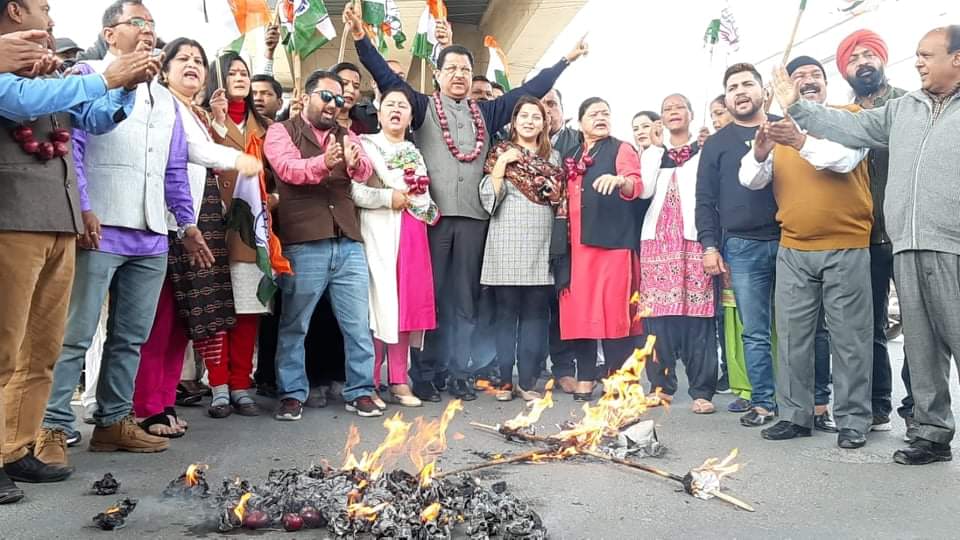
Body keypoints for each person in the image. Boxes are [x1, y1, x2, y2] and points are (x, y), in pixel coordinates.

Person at [345, 4, 588, 402]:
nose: (458, 75)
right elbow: (385, 75)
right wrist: (360, 38)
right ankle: (427, 373)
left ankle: (460, 373)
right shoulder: (421, 108)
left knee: (466, 301)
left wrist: (565, 60)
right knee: (431, 298)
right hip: (434, 220)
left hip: (475, 220)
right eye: (451, 69)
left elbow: (530, 91)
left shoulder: (487, 112)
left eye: (463, 69)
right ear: (438, 75)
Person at [35, 0, 216, 465]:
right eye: (137, 22)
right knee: (75, 334)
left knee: (130, 336)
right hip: (102, 224)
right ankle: (51, 428)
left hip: (153, 231)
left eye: (153, 24)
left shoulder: (164, 96)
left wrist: (187, 223)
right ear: (110, 34)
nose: (149, 30)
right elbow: (71, 145)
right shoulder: (88, 76)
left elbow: (174, 167)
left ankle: (114, 421)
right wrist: (85, 207)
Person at [0, 2, 159, 503]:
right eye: (44, 7)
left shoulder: (47, 66)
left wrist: (126, 84)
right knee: (4, 348)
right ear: (15, 9)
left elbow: (95, 118)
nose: (50, 17)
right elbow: (20, 103)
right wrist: (106, 75)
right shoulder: (7, 71)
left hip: (58, 220)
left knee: (41, 348)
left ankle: (16, 446)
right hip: (12, 218)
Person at [781, 25, 960, 465]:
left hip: (953, 244)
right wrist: (797, 107)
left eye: (926, 54)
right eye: (916, 54)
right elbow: (850, 125)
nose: (917, 62)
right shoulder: (904, 109)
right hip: (907, 244)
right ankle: (932, 434)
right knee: (921, 349)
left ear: (956, 59)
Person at [741, 55, 873, 449]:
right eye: (799, 77)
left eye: (816, 75)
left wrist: (798, 140)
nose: (808, 81)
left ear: (826, 83)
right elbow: (750, 178)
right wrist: (762, 150)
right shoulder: (778, 129)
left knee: (849, 338)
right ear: (786, 88)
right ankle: (795, 415)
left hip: (846, 245)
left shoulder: (849, 116)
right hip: (794, 247)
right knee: (793, 337)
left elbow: (843, 159)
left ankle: (853, 421)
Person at [132, 39, 261, 432]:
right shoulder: (160, 103)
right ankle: (145, 407)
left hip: (202, 224)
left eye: (199, 61)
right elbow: (194, 151)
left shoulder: (197, 111)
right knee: (161, 319)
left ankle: (164, 400)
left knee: (183, 324)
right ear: (165, 68)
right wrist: (235, 158)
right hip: (171, 225)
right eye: (183, 59)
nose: (192, 65)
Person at [264, 69, 381, 420]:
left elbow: (365, 172)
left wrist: (357, 163)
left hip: (347, 242)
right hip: (304, 242)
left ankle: (360, 390)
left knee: (358, 324)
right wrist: (322, 163)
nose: (333, 105)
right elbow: (287, 169)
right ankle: (291, 392)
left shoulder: (347, 135)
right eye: (326, 97)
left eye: (340, 100)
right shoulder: (280, 131)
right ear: (307, 97)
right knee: (295, 324)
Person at [836, 28, 913, 437]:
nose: (862, 62)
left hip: (905, 230)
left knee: (919, 325)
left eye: (868, 54)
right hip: (861, 237)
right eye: (853, 58)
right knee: (868, 327)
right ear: (845, 70)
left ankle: (917, 410)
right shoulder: (842, 116)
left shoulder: (909, 104)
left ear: (882, 58)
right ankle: (877, 405)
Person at [695, 64, 781, 427]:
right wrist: (709, 246)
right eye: (733, 87)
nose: (740, 91)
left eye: (748, 84)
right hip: (741, 247)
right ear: (726, 97)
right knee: (755, 330)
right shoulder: (717, 143)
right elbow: (704, 200)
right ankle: (763, 402)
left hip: (792, 241)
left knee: (804, 328)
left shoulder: (785, 127)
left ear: (763, 90)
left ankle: (811, 403)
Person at [198, 51, 280, 419]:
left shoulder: (266, 127)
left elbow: (279, 180)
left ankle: (240, 383)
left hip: (252, 232)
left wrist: (271, 200)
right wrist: (215, 124)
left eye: (244, 72)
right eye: (232, 72)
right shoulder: (202, 120)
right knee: (217, 310)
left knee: (248, 310)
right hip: (212, 227)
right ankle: (217, 386)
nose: (240, 77)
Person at [353, 87, 441, 408]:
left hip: (411, 232)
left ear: (411, 116)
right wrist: (387, 197)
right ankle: (370, 380)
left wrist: (418, 200)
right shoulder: (365, 146)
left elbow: (423, 197)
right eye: (389, 104)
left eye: (402, 106)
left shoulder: (414, 152)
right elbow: (356, 192)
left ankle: (400, 379)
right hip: (378, 230)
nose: (396, 110)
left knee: (404, 305)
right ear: (378, 111)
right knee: (378, 304)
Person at [558, 97, 644, 401]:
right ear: (580, 122)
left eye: (606, 113)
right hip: (576, 247)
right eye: (593, 113)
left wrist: (620, 181)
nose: (601, 118)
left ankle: (617, 379)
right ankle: (585, 376)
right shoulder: (569, 154)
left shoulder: (621, 149)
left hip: (612, 245)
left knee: (614, 315)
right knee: (580, 314)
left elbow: (635, 184)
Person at [480, 96, 564, 401]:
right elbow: (487, 200)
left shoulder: (554, 159)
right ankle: (504, 380)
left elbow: (559, 201)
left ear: (545, 123)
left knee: (535, 317)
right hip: (506, 241)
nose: (530, 121)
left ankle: (528, 381)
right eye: (524, 116)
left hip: (542, 245)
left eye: (536, 117)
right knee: (505, 316)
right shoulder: (499, 152)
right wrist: (502, 165)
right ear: (514, 121)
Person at [638, 94, 717, 413]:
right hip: (656, 242)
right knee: (659, 318)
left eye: (679, 107)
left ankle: (702, 390)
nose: (673, 113)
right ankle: (660, 386)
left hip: (694, 239)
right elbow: (643, 189)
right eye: (667, 109)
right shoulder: (653, 153)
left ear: (690, 113)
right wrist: (655, 148)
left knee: (698, 317)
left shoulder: (704, 149)